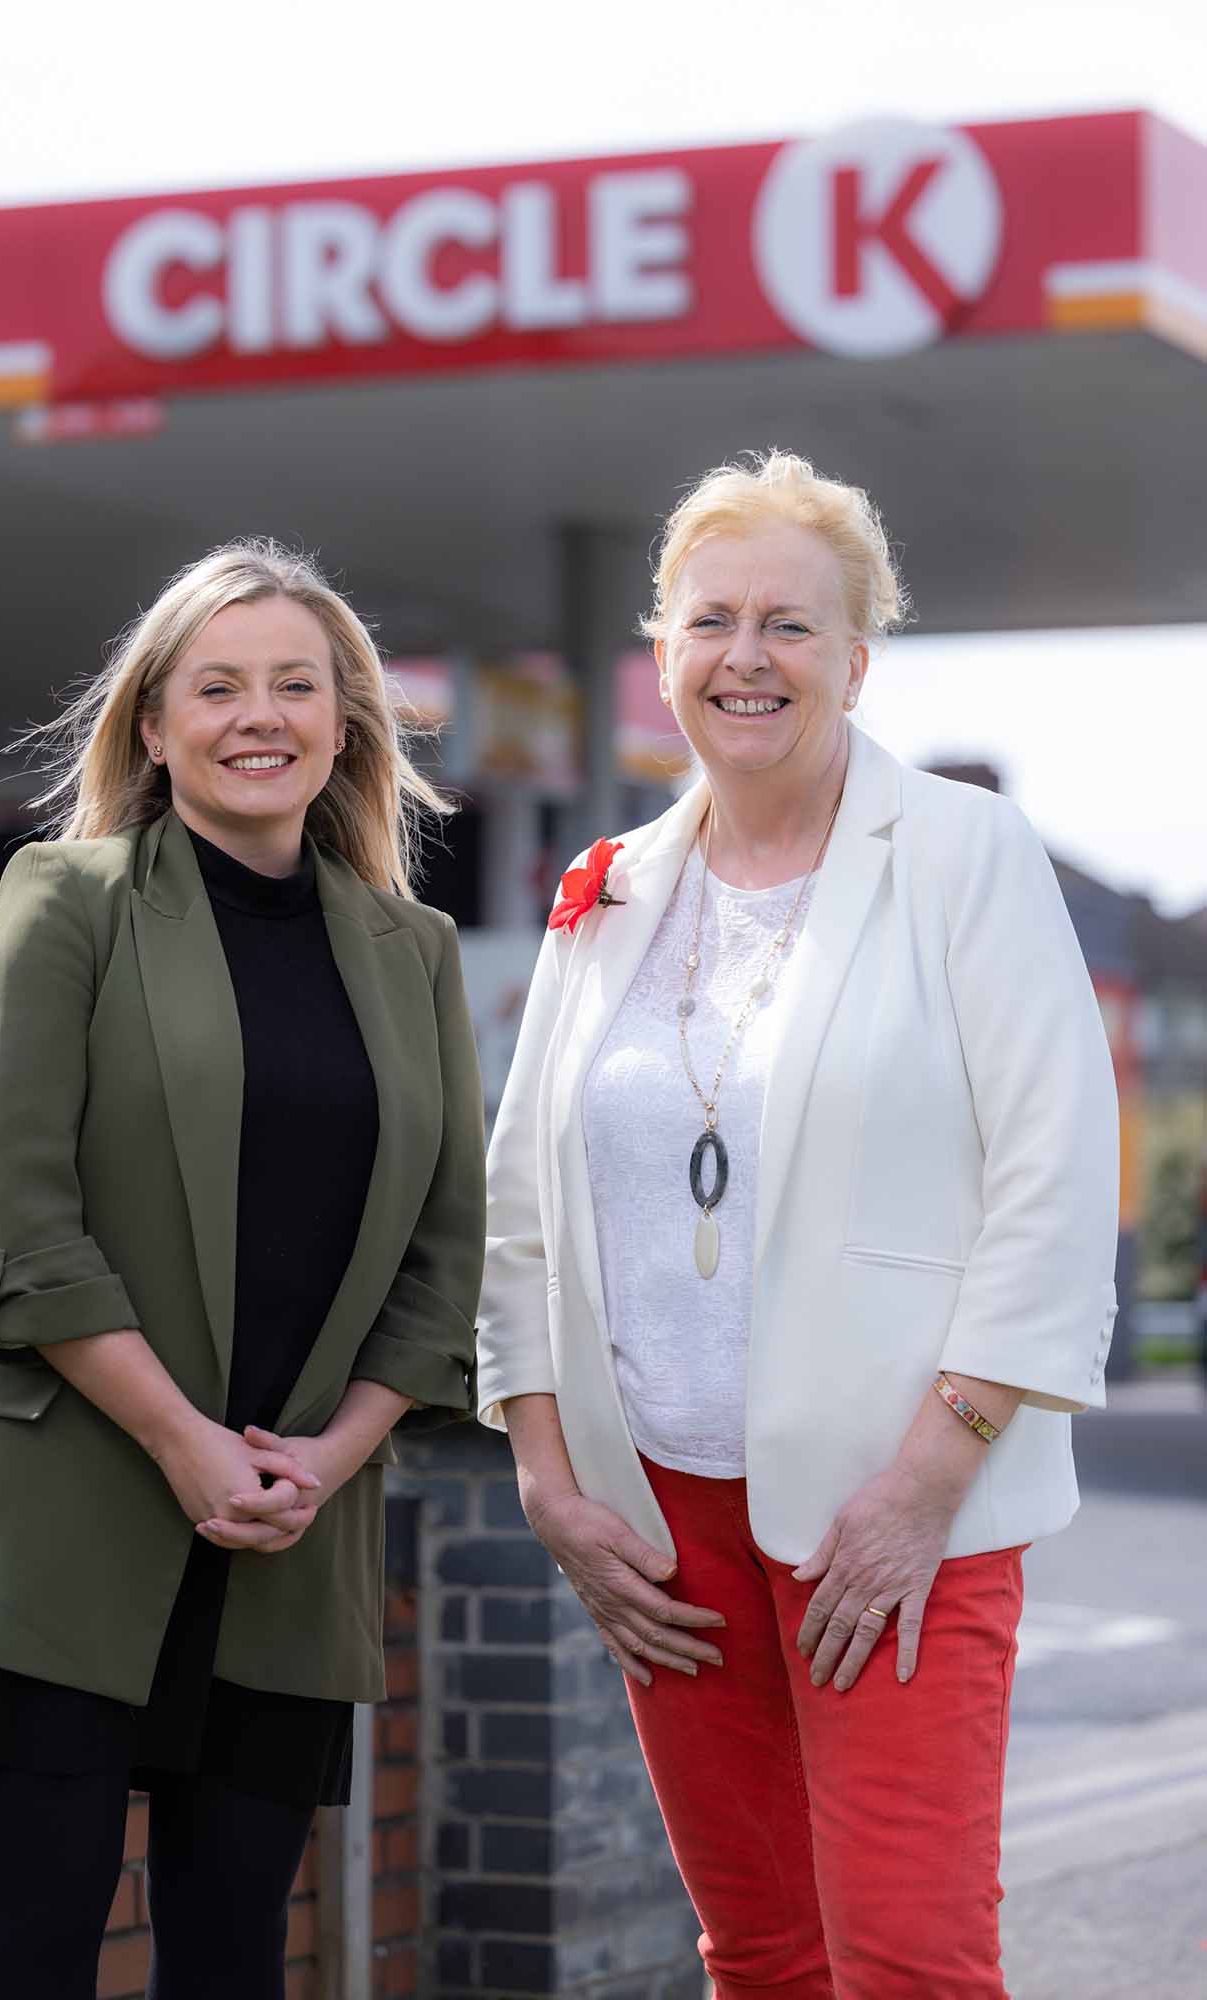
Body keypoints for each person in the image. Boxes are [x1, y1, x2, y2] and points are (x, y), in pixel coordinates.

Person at [476, 453, 1119, 1998]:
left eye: (788, 624)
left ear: (855, 657)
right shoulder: (609, 888)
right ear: (660, 651)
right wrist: (547, 1475)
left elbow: (1056, 1172)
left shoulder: (961, 855)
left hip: (894, 1506)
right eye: (711, 622)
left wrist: (930, 1475)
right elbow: (519, 1210)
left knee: (905, 1953)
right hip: (662, 1525)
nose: (745, 658)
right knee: (758, 1951)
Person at [0, 540, 484, 2000]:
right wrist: (182, 1441)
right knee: (34, 1949)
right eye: (216, 686)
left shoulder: (414, 950)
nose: (257, 715)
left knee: (233, 1962)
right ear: (153, 724)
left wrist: (326, 1461)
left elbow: (446, 1253)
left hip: (290, 1527)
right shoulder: (65, 901)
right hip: (66, 1514)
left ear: (346, 721)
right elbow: (13, 1228)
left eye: (295, 684)